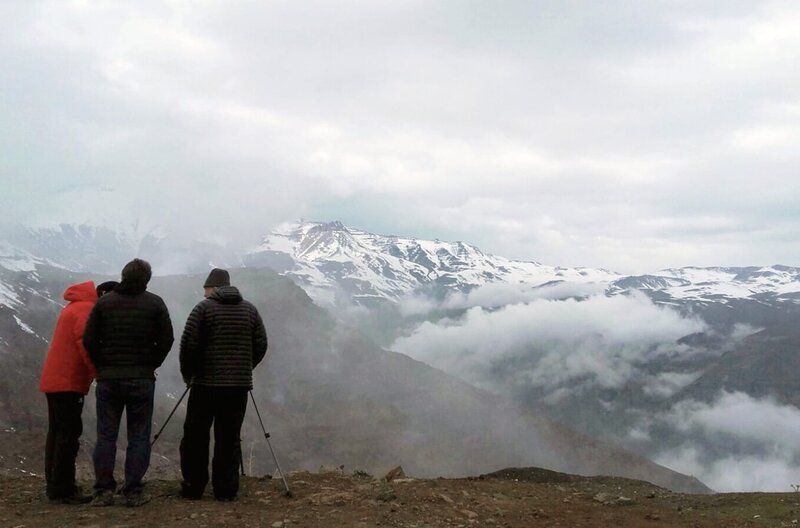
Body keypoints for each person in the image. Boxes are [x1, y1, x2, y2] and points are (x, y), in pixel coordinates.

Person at [83, 259, 174, 507]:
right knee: (139, 436)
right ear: (147, 279)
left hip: (109, 380)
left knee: (106, 436)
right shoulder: (155, 303)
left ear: (123, 276)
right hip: (141, 379)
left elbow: (89, 340)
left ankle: (103, 490)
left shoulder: (104, 303)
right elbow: (167, 339)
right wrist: (151, 364)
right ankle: (132, 490)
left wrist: (103, 365)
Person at [179, 268, 268, 501]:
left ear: (213, 288)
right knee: (229, 437)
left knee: (195, 436)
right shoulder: (249, 310)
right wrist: (245, 368)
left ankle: (193, 486)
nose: (204, 292)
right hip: (238, 388)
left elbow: (188, 346)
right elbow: (261, 344)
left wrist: (189, 375)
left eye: (206, 288)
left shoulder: (203, 309)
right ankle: (226, 490)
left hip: (205, 385)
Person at [39, 280, 98, 504]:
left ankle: (54, 484)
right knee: (69, 434)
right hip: (68, 381)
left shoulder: (73, 306)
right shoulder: (85, 309)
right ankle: (63, 488)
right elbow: (86, 343)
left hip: (55, 380)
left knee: (56, 433)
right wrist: (97, 373)